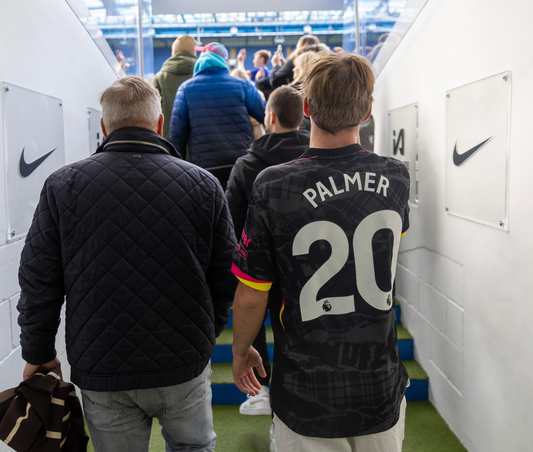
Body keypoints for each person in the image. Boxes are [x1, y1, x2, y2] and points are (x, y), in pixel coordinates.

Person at [17, 76, 238, 452]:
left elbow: (39, 280)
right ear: (160, 123)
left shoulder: (62, 186)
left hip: (102, 365)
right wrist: (205, 331)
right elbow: (226, 277)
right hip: (183, 359)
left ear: (103, 127)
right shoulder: (203, 185)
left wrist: (38, 353)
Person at [231, 52, 411, 451]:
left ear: (307, 107)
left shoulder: (273, 185)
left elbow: (250, 293)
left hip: (305, 391)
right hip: (379, 383)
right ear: (367, 111)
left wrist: (242, 350)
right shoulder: (396, 175)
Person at [225, 85, 310, 419]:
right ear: (302, 116)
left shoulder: (247, 164)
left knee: (253, 312)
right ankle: (293, 392)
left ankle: (260, 388)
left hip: (259, 265)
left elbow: (231, 220)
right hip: (308, 265)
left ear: (270, 117)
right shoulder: (318, 157)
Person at [170, 42, 265, 176]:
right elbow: (265, 115)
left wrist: (178, 170)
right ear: (224, 61)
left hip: (204, 167)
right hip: (241, 163)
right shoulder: (243, 85)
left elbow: (177, 135)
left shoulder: (185, 89)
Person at [152, 35, 197, 137]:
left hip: (167, 143)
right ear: (194, 53)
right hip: (196, 143)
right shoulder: (202, 77)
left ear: (173, 53)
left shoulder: (160, 78)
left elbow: (152, 115)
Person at [256, 34, 320, 99]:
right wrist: (285, 67)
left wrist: (276, 65)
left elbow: (275, 81)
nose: (293, 69)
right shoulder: (317, 58)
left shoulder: (297, 58)